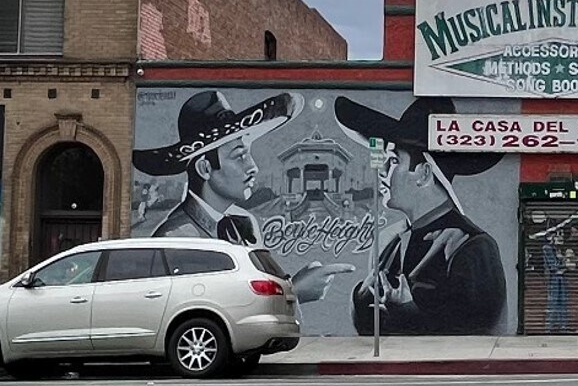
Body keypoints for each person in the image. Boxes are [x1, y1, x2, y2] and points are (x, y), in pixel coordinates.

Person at [133, 90, 353, 303]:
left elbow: (258, 290)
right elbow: (211, 306)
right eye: (239, 156)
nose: (253, 167)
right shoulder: (178, 239)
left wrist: (293, 286)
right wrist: (294, 293)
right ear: (205, 169)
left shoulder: (245, 222)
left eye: (249, 153)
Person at [334, 96, 507, 335]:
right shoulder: (387, 241)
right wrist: (363, 297)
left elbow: (480, 330)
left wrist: (409, 312)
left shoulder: (473, 248)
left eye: (393, 161)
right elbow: (367, 328)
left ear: (424, 174)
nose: (382, 171)